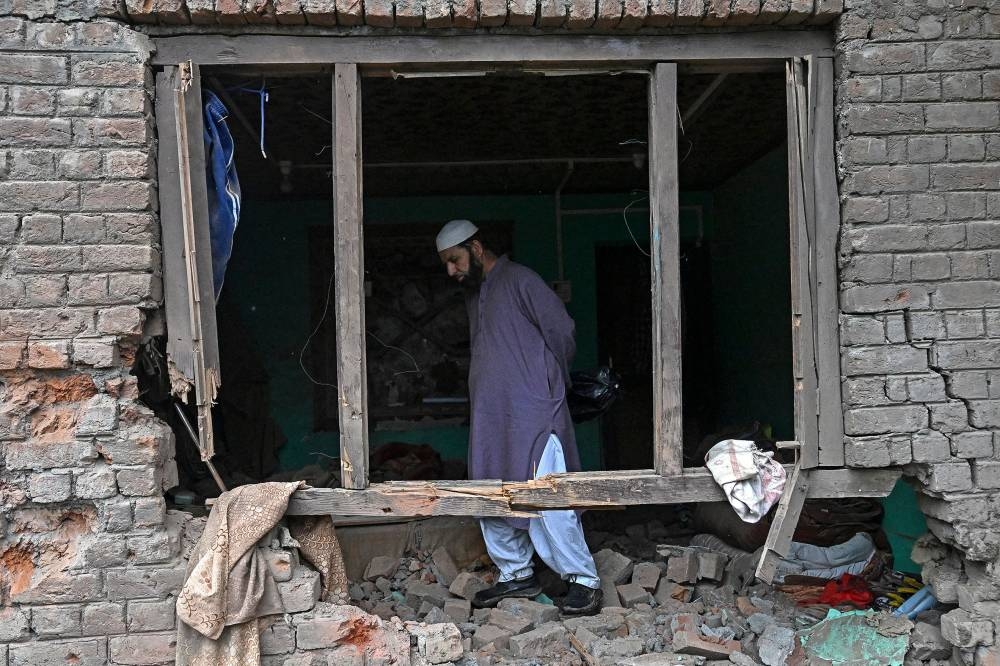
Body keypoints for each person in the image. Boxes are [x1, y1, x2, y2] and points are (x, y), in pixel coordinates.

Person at [435, 219, 602, 616]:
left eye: (455, 260)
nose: (451, 271)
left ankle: (583, 580)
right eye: (446, 264)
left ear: (476, 249)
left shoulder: (522, 280)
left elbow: (562, 333)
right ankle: (516, 574)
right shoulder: (476, 296)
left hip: (533, 411)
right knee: (489, 493)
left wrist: (544, 383)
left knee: (548, 492)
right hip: (491, 416)